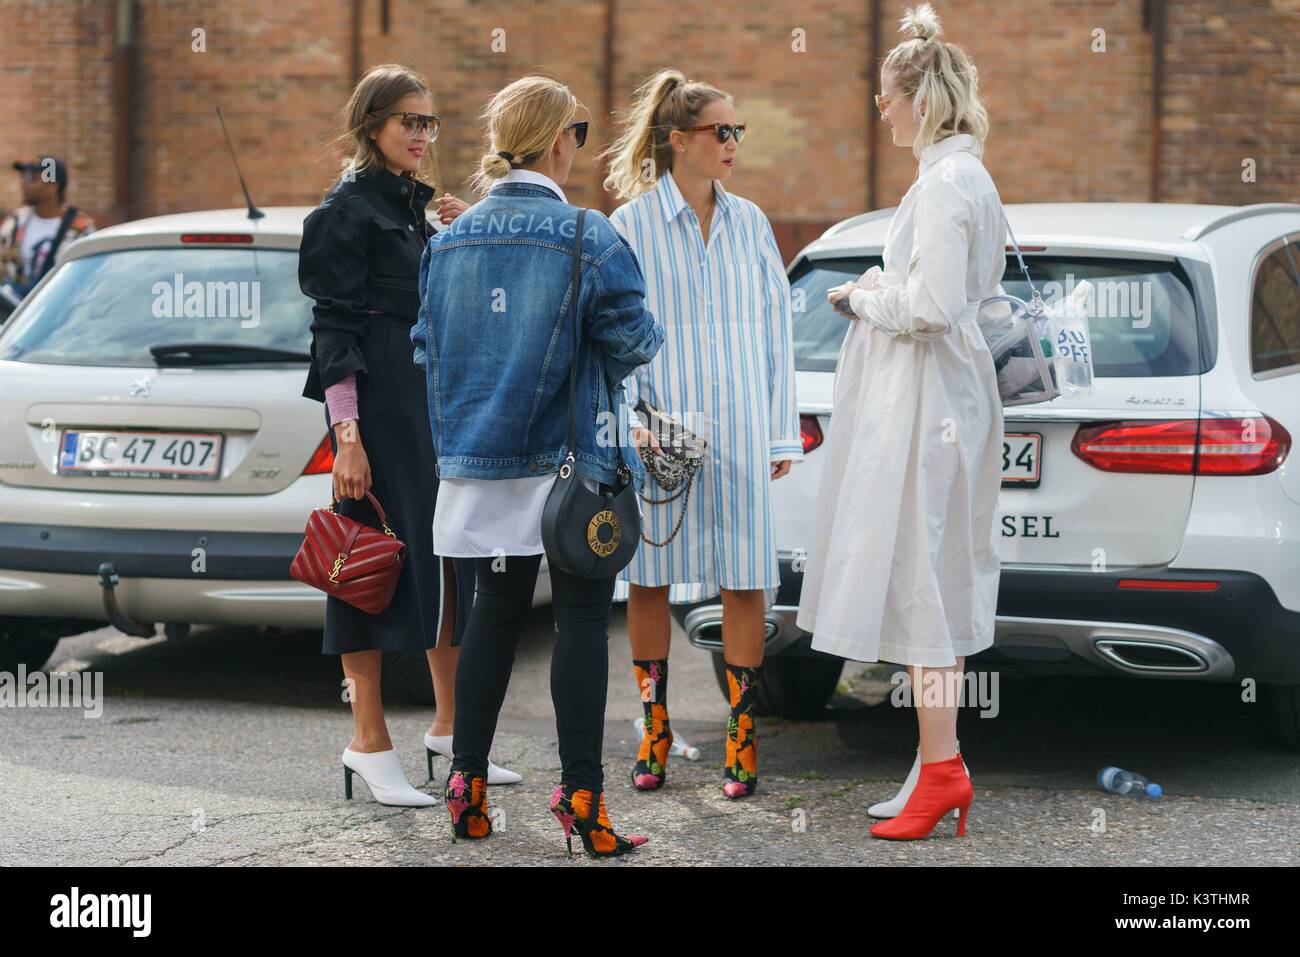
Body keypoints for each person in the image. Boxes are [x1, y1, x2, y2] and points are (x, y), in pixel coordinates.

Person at [412, 74, 663, 857]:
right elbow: (636, 341)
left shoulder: (448, 241)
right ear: (559, 142)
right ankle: (583, 801)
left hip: (477, 466)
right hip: (566, 467)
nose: (579, 148)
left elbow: (425, 350)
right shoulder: (590, 236)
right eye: (579, 135)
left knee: (492, 611)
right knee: (583, 618)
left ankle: (466, 787)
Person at [796, 2, 1003, 840]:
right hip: (940, 395)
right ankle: (937, 761)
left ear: (919, 95)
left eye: (885, 95)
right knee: (937, 584)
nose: (879, 109)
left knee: (923, 579)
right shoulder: (960, 177)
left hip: (929, 405)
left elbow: (934, 304)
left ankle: (942, 769)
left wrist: (859, 294)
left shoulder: (949, 183)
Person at [298, 64, 519, 809]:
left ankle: (454, 730)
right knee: (361, 563)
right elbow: (334, 329)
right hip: (376, 412)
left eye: (430, 122)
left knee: (443, 559)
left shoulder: (420, 207)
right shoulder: (344, 212)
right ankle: (367, 740)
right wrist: (347, 434)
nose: (423, 135)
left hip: (430, 405)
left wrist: (462, 232)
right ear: (372, 126)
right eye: (409, 122)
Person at [599, 69, 803, 799]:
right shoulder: (629, 226)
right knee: (649, 579)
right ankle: (653, 730)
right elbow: (612, 338)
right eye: (722, 131)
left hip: (744, 426)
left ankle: (742, 741)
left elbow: (777, 331)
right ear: (678, 139)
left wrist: (781, 433)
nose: (733, 143)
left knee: (746, 579)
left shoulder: (750, 222)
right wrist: (631, 426)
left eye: (737, 131)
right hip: (664, 435)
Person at [1, 156, 95, 302]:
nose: (24, 183)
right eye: (23, 176)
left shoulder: (80, 229)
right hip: (17, 315)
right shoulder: (14, 223)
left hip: (59, 314)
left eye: (31, 177)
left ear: (52, 185)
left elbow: (89, 278)